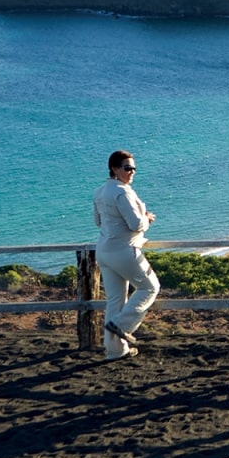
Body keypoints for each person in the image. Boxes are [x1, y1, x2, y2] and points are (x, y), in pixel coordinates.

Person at [92, 150, 161, 360]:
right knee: (150, 287)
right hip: (123, 250)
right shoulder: (123, 192)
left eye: (133, 168)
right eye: (127, 168)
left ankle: (114, 351)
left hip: (103, 251)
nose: (131, 172)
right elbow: (136, 224)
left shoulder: (100, 191)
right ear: (114, 169)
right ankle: (122, 326)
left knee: (115, 301)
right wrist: (147, 218)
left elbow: (98, 222)